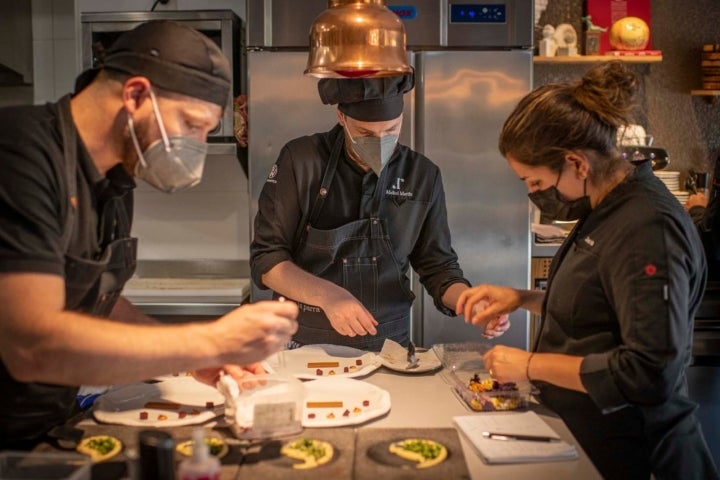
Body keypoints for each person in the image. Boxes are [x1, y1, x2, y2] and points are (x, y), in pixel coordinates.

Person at [0, 20, 298, 449]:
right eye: (192, 125)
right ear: (136, 95)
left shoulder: (116, 179)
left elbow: (95, 300)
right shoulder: (20, 154)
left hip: (43, 428)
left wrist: (199, 361)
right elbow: (32, 346)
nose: (195, 145)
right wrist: (209, 340)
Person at [456, 62, 719, 479]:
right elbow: (599, 312)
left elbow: (648, 374)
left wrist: (528, 366)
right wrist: (522, 298)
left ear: (576, 163)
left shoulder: (648, 228)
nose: (534, 195)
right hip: (594, 442)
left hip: (642, 455)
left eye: (537, 183)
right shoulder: (606, 207)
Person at [250, 74, 508, 351]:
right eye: (366, 134)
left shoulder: (422, 175)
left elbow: (438, 266)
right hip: (303, 343)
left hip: (388, 347)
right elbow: (267, 259)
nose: (380, 141)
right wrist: (328, 296)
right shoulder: (301, 160)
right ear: (341, 118)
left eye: (391, 131)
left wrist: (470, 303)